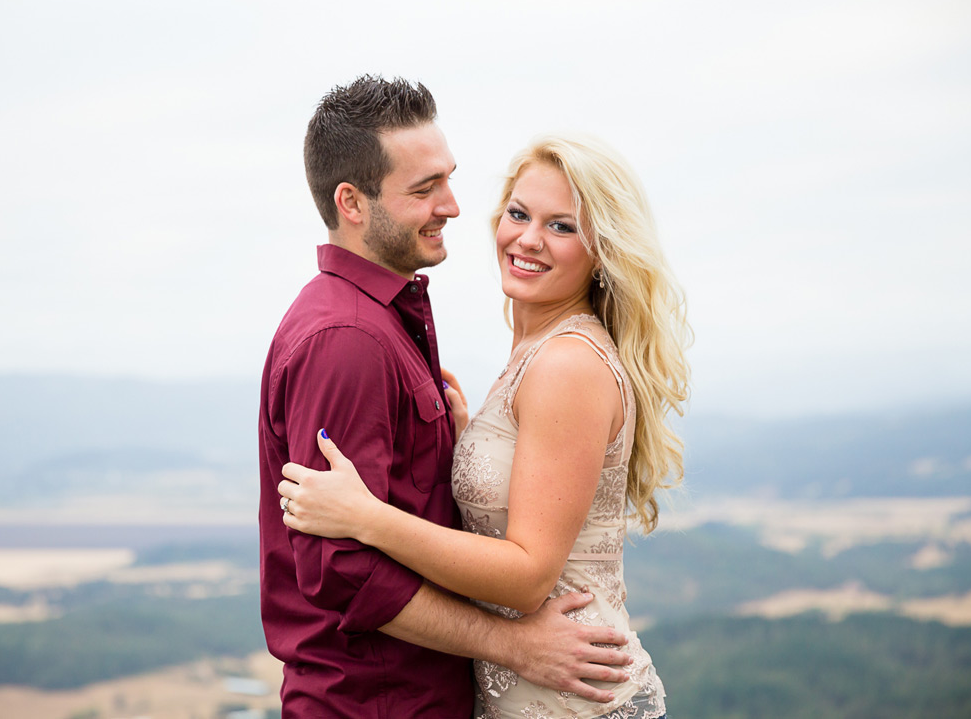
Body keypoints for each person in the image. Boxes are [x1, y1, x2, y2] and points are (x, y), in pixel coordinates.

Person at [278, 132, 691, 718]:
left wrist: (368, 518)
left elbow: (526, 576)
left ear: (604, 250)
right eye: (519, 214)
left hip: (572, 695)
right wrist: (467, 440)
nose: (527, 239)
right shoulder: (534, 349)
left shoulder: (566, 363)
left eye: (562, 226)